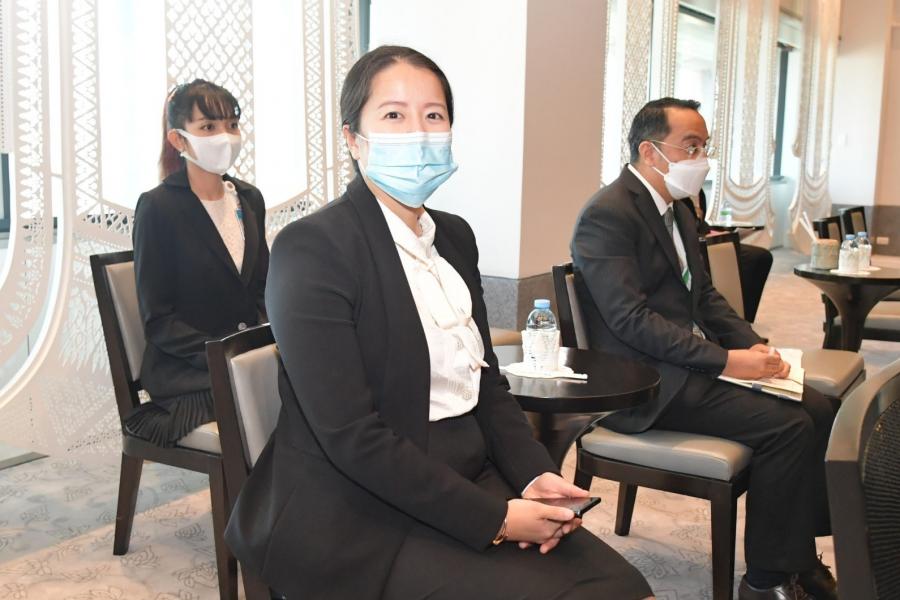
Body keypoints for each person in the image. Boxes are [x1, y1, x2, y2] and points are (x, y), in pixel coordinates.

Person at [225, 46, 653, 600]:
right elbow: (351, 436)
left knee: (624, 587)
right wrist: (498, 520)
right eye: (393, 115)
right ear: (353, 139)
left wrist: (534, 474)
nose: (418, 133)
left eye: (433, 115)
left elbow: (487, 383)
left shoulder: (453, 237)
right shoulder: (312, 248)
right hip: (358, 510)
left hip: (466, 476)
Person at [571, 97, 836, 600]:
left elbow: (704, 296)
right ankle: (765, 581)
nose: (702, 159)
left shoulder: (680, 207)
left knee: (822, 407)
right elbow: (630, 320)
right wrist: (728, 361)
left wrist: (754, 347)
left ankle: (798, 556)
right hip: (647, 382)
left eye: (704, 147)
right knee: (788, 427)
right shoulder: (607, 215)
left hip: (686, 362)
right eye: (690, 147)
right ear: (650, 151)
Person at [128, 80, 269, 447]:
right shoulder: (158, 208)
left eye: (232, 125)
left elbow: (262, 290)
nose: (225, 136)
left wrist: (260, 344)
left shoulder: (250, 199)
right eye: (208, 126)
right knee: (272, 402)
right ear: (178, 140)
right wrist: (223, 355)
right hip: (188, 371)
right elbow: (159, 320)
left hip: (245, 359)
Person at [680, 189, 773, 322]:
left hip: (707, 236)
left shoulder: (699, 192)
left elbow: (703, 224)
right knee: (724, 254)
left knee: (761, 257)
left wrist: (716, 233)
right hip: (696, 243)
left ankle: (743, 317)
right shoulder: (678, 195)